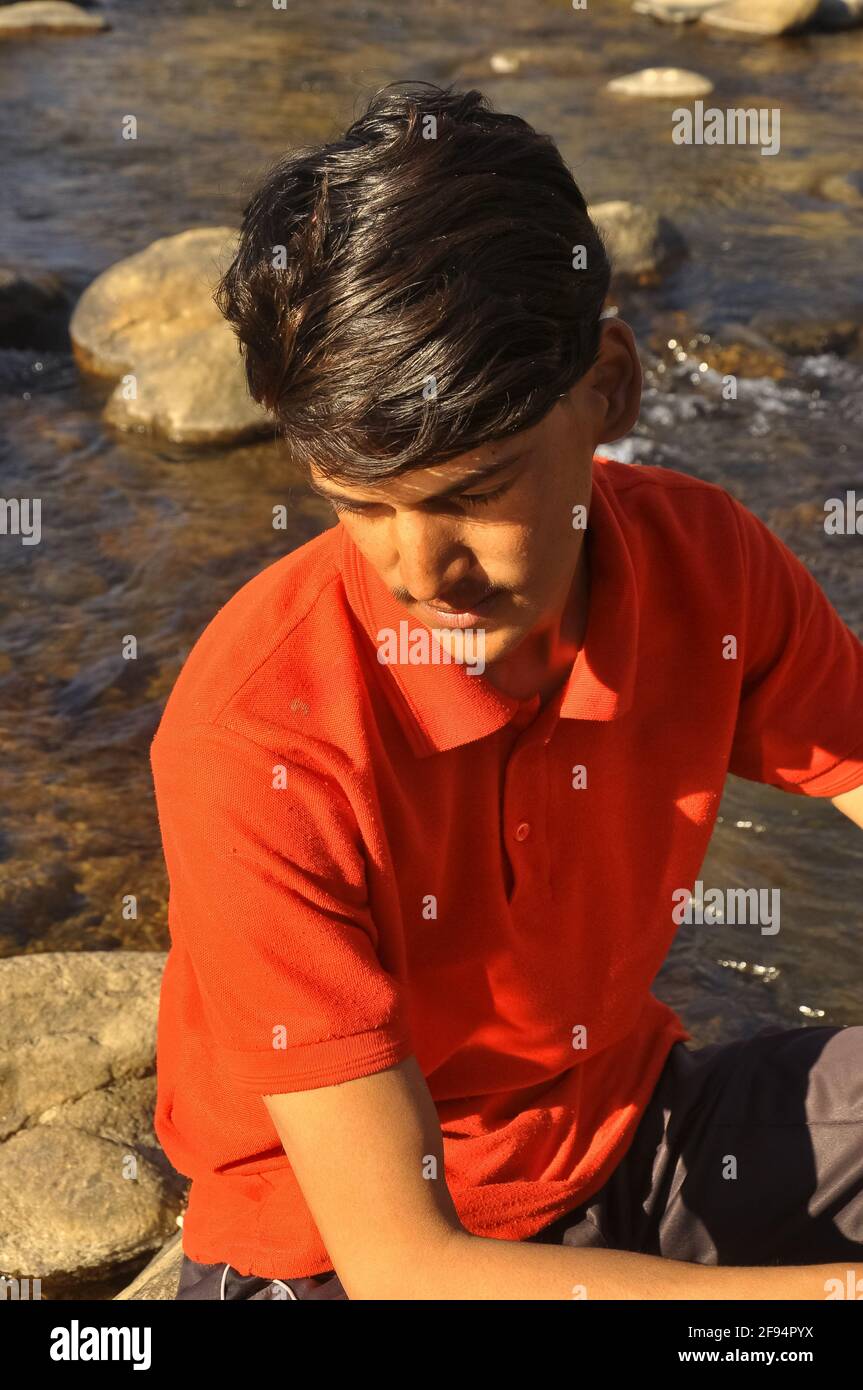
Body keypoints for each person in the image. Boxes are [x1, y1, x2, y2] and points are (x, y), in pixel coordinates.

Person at [150, 81, 863, 1301]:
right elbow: (405, 1265)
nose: (417, 570)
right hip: (332, 1255)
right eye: (357, 503)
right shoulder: (254, 741)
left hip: (627, 1134)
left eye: (467, 493)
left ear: (610, 389)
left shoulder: (707, 563)